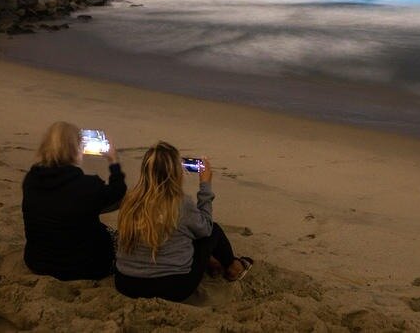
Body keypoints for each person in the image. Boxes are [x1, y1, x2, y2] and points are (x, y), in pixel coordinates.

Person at [114, 141, 252, 302]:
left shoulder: (130, 200)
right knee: (212, 230)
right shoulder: (179, 204)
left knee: (181, 232)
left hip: (125, 283)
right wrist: (205, 185)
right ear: (176, 173)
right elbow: (205, 228)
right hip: (172, 288)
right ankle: (234, 267)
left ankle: (214, 263)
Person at [22, 121, 127, 281]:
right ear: (77, 149)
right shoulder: (87, 186)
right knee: (117, 237)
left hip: (37, 262)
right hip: (84, 268)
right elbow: (119, 193)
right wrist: (114, 161)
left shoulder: (31, 180)